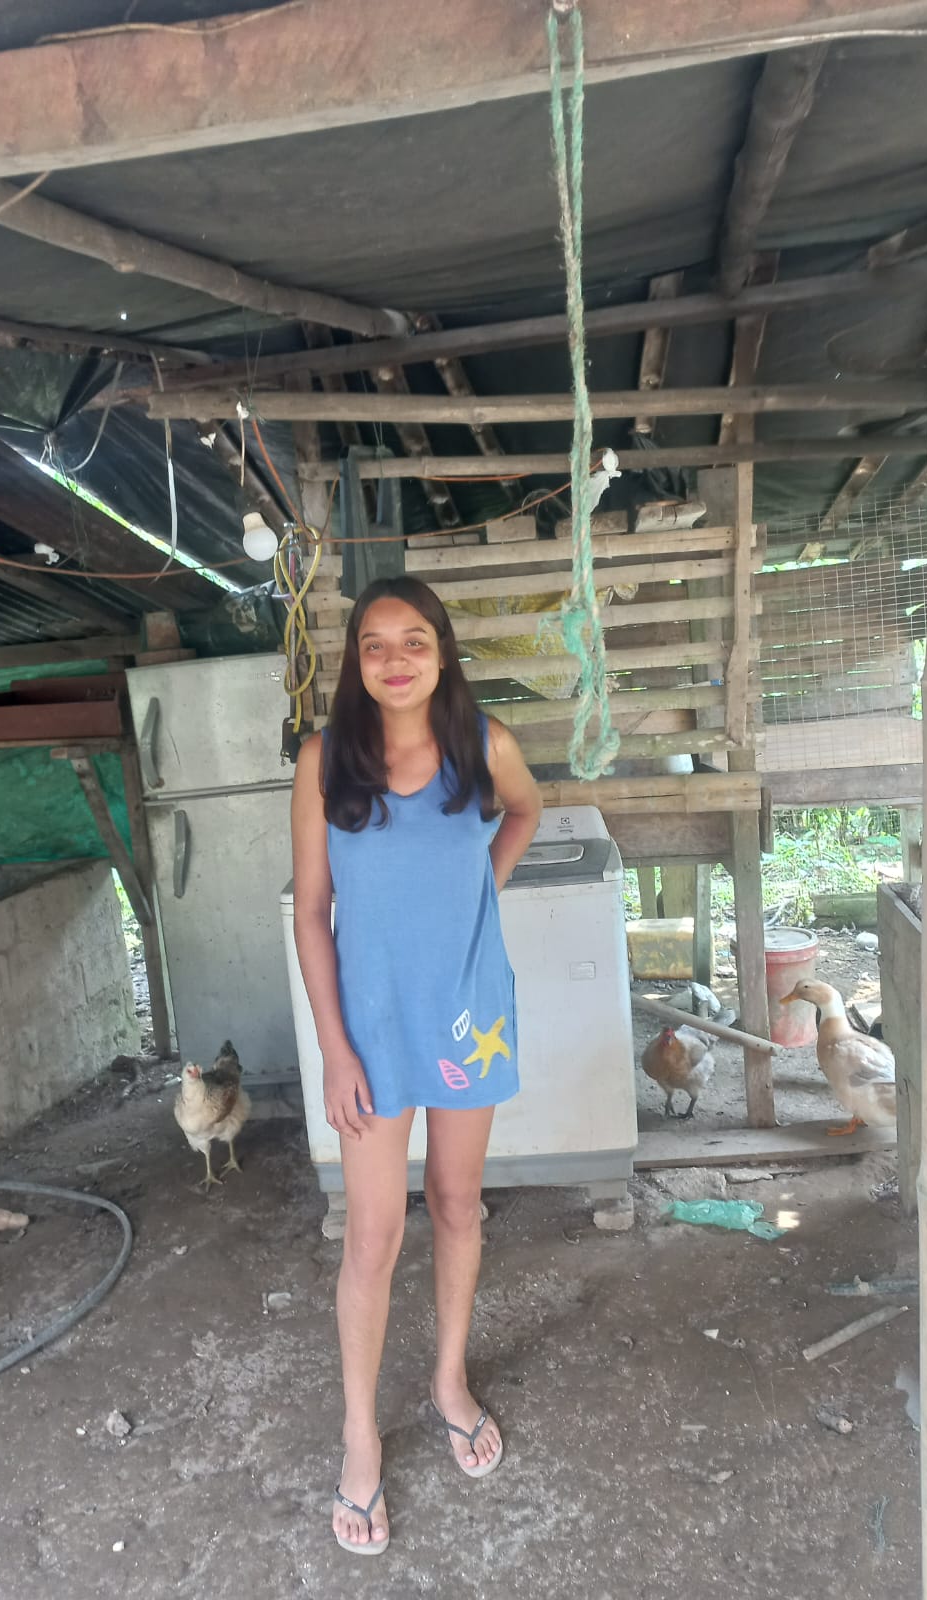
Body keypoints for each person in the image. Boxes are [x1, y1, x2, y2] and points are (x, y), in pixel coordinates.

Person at [291, 575, 542, 1556]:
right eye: (374, 644)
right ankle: (361, 1435)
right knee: (372, 1235)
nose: (394, 660)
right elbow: (313, 911)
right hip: (372, 1027)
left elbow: (524, 811)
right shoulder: (325, 760)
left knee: (457, 1204)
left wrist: (483, 889)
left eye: (413, 641)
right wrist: (334, 1049)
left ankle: (447, 1380)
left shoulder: (485, 746)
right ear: (356, 662)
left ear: (442, 652)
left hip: (469, 1015)